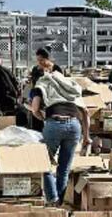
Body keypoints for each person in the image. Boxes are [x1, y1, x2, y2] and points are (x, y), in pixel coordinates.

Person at [29, 56, 91, 205]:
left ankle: (52, 200)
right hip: (74, 125)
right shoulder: (70, 84)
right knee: (64, 168)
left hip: (54, 123)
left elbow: (35, 108)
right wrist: (87, 136)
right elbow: (86, 112)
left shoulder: (42, 83)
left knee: (45, 163)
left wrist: (43, 118)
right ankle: (60, 203)